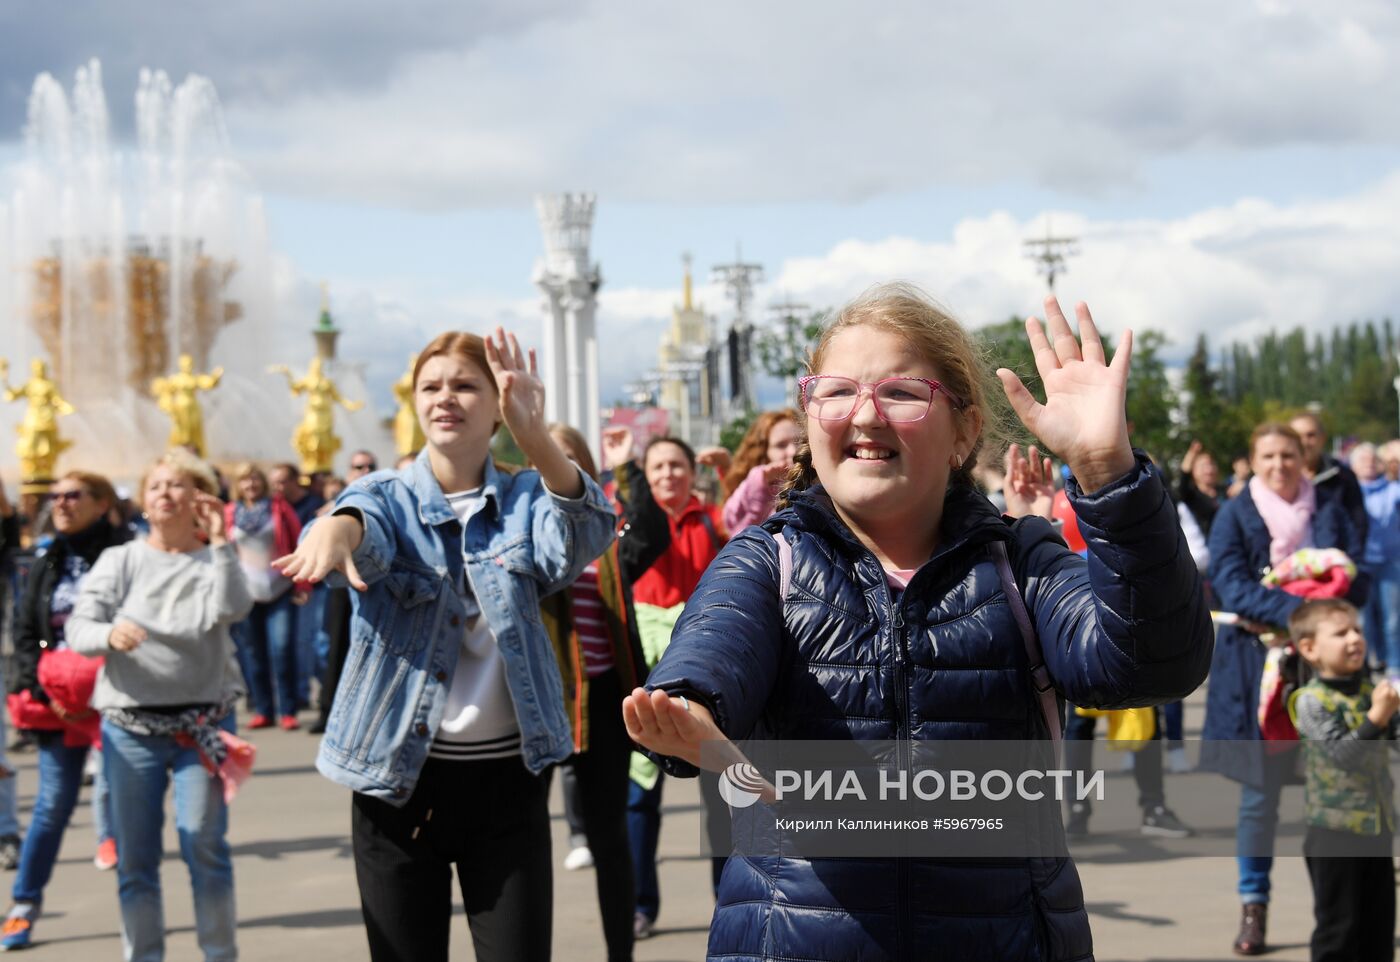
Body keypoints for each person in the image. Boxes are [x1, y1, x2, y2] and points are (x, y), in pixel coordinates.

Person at [623, 285, 1213, 961]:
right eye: (837, 391)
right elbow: (707, 662)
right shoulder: (767, 561)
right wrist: (691, 713)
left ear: (964, 431)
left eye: (901, 392)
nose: (865, 415)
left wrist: (1108, 472)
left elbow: (1153, 665)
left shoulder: (1022, 561)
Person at [274, 328, 616, 962]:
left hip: (508, 782)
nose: (445, 398)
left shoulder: (520, 498)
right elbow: (359, 520)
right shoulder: (386, 495)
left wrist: (534, 433)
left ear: (496, 405)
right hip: (397, 781)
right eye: (430, 386)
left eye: (465, 385)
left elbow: (585, 535)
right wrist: (333, 531)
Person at [66, 450, 252, 962]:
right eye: (157, 487)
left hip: (203, 727)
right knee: (136, 860)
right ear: (143, 501)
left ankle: (220, 954)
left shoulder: (215, 556)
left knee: (205, 847)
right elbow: (78, 629)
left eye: (179, 485)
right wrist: (109, 632)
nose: (166, 494)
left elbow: (235, 607)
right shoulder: (121, 560)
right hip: (132, 729)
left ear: (199, 497)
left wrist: (220, 543)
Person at [1199, 422, 1367, 956]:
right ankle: (1255, 906)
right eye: (1268, 456)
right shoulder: (1236, 513)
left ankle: (1338, 913)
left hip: (1329, 672)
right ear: (1253, 459)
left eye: (1289, 455)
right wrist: (1303, 615)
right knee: (1260, 799)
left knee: (1333, 792)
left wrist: (1328, 610)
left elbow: (1355, 570)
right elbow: (1229, 581)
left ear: (1305, 456)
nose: (1279, 465)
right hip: (1260, 672)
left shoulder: (1329, 507)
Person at [607, 429, 728, 941]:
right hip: (645, 672)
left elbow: (752, 515)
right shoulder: (630, 525)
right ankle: (640, 904)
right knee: (639, 797)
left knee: (721, 794)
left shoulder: (713, 522)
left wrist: (727, 476)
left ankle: (729, 901)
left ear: (689, 471)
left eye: (676, 465)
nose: (667, 475)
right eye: (656, 467)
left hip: (704, 670)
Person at [0, 471, 126, 949]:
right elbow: (25, 628)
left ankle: (137, 906)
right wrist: (41, 689)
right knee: (52, 804)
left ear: (101, 502)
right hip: (61, 703)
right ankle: (24, 904)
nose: (61, 503)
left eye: (73, 495)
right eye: (56, 496)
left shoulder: (125, 554)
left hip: (117, 698)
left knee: (124, 800)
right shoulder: (46, 556)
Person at [540, 423, 647, 962]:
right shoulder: (520, 526)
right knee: (524, 846)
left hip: (602, 701)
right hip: (537, 703)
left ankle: (619, 953)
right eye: (546, 457)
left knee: (610, 841)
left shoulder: (607, 530)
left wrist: (629, 467)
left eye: (567, 459)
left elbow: (651, 536)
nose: (555, 468)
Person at [1287, 598, 1397, 962]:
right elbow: (1342, 755)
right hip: (1334, 834)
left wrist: (1388, 716)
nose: (1354, 639)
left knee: (1378, 928)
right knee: (1340, 928)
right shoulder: (1310, 701)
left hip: (1376, 829)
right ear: (1309, 648)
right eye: (1341, 633)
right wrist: (1377, 718)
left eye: (1358, 631)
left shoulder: (1371, 692)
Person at [225, 463, 306, 730]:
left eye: (255, 479)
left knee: (281, 649)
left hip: (279, 589)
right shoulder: (230, 512)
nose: (251, 485)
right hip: (247, 593)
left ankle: (288, 709)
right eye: (245, 481)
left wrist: (302, 583)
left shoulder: (279, 509)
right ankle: (263, 709)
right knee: (253, 654)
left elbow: (298, 543)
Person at [311, 451, 378, 735]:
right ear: (349, 471)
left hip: (374, 581)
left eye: (368, 466)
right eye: (357, 466)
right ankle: (328, 711)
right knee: (336, 645)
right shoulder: (339, 500)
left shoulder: (386, 493)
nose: (363, 470)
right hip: (342, 584)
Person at [1349, 443, 1400, 674]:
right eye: (1363, 460)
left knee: (1392, 618)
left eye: (1372, 459)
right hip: (1360, 563)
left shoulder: (1392, 489)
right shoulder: (1349, 492)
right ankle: (1370, 662)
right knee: (1364, 619)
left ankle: (1394, 664)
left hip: (1390, 561)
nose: (1369, 464)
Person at [1290, 412, 1368, 545]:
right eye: (1298, 436)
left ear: (1322, 438)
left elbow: (1358, 523)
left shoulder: (1342, 476)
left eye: (1311, 435)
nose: (1304, 442)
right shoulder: (1277, 479)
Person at [720, 409, 799, 533]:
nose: (793, 452)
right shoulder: (749, 484)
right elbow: (734, 528)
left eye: (799, 442)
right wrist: (758, 484)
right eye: (781, 445)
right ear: (763, 452)